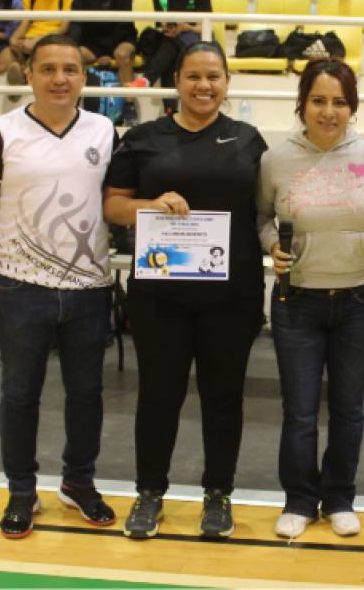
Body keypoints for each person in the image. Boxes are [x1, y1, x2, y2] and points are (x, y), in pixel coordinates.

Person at [103, 41, 267, 540]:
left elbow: (269, 207)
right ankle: (149, 493)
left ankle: (218, 496)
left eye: (213, 76)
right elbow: (113, 206)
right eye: (194, 76)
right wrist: (152, 205)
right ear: (177, 80)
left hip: (232, 295)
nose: (204, 86)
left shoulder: (248, 139)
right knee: (158, 395)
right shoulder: (144, 137)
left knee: (224, 398)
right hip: (161, 294)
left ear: (227, 82)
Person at [0, 33, 117, 539]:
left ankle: (78, 483)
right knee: (19, 395)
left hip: (90, 289)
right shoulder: (0, 132)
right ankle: (22, 492)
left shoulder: (105, 129)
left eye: (69, 69)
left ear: (83, 76)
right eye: (48, 69)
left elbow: (119, 201)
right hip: (18, 287)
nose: (59, 78)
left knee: (86, 395)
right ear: (29, 75)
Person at [256, 58, 364, 540]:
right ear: (303, 105)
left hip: (360, 299)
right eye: (318, 101)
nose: (328, 111)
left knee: (348, 408)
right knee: (298, 411)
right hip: (297, 302)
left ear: (352, 107)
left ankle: (339, 497)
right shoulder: (275, 159)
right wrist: (270, 245)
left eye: (340, 102)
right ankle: (299, 499)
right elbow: (260, 218)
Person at [127, 0, 212, 115]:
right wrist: (168, 29)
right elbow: (162, 26)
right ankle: (170, 110)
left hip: (194, 39)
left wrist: (186, 27)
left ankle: (149, 81)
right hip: (171, 41)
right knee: (171, 48)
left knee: (170, 46)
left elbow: (205, 28)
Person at [69, 0, 139, 125]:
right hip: (93, 42)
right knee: (73, 56)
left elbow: (124, 24)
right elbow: (76, 23)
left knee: (122, 55)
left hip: (121, 38)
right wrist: (73, 46)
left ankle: (129, 107)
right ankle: (72, 104)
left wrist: (108, 52)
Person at [10, 0, 75, 60]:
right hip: (27, 41)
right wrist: (13, 39)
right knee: (3, 59)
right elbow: (23, 26)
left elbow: (63, 29)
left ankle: (24, 69)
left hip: (53, 41)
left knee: (35, 60)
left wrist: (38, 41)